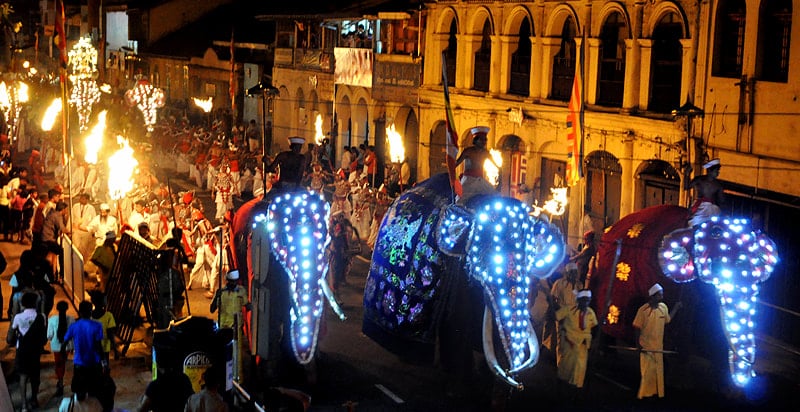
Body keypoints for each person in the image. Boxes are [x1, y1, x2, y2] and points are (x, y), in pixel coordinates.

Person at [633, 283, 683, 400]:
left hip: (658, 347)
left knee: (658, 372)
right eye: (660, 294)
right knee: (647, 372)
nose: (662, 296)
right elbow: (637, 328)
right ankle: (643, 396)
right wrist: (638, 345)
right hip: (646, 347)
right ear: (653, 296)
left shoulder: (663, 307)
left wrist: (676, 308)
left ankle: (656, 395)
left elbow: (668, 319)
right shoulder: (643, 310)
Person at [10, 292, 48, 411]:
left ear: (23, 303)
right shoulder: (42, 317)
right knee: (35, 377)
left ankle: (24, 405)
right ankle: (34, 399)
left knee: (23, 377)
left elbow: (12, 333)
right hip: (35, 351)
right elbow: (44, 336)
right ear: (35, 303)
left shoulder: (18, 317)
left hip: (22, 350)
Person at [554, 289, 598, 389]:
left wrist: (594, 343)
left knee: (580, 367)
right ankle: (561, 385)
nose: (586, 303)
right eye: (584, 300)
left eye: (588, 300)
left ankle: (576, 388)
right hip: (570, 343)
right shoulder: (568, 310)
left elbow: (595, 328)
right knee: (566, 366)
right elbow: (555, 317)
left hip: (583, 345)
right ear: (578, 300)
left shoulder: (590, 313)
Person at [64, 300, 105, 403]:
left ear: (80, 312)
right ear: (91, 311)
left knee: (80, 394)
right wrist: (104, 361)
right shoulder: (97, 325)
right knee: (94, 392)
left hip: (79, 363)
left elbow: (65, 342)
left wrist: (64, 355)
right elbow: (99, 346)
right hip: (94, 363)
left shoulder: (74, 326)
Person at [455, 126, 500, 204]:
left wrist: (500, 178)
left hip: (480, 180)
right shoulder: (468, 151)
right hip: (468, 180)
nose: (484, 142)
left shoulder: (486, 153)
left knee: (495, 195)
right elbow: (456, 163)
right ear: (476, 140)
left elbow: (497, 167)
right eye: (481, 139)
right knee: (460, 200)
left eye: (485, 140)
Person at [550, 262, 581, 364]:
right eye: (571, 272)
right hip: (562, 315)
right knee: (562, 340)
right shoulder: (559, 283)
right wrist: (558, 314)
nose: (573, 275)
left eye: (575, 272)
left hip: (574, 317)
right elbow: (553, 299)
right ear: (567, 273)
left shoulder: (579, 285)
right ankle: (560, 364)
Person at [47, 300, 75, 397]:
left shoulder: (52, 319)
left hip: (56, 346)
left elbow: (49, 336)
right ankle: (60, 379)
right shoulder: (71, 319)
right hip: (67, 346)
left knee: (59, 364)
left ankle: (60, 381)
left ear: (56, 309)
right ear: (67, 309)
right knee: (62, 363)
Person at [685, 158, 724, 226]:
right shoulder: (699, 179)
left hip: (712, 209)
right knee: (693, 224)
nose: (718, 173)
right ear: (709, 171)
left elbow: (721, 200)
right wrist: (687, 175)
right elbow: (686, 187)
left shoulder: (718, 185)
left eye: (718, 171)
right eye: (716, 171)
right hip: (700, 207)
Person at [90, 291, 119, 366]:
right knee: (104, 368)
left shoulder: (89, 316)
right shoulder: (108, 316)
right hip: (104, 348)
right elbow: (110, 334)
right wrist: (115, 350)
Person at [72, 193, 98, 261]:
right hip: (76, 230)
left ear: (87, 200)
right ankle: (75, 261)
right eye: (80, 198)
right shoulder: (75, 206)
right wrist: (69, 229)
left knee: (83, 248)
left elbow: (94, 220)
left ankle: (82, 262)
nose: (81, 200)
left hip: (86, 232)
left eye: (83, 198)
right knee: (75, 247)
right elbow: (71, 218)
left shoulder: (91, 208)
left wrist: (93, 231)